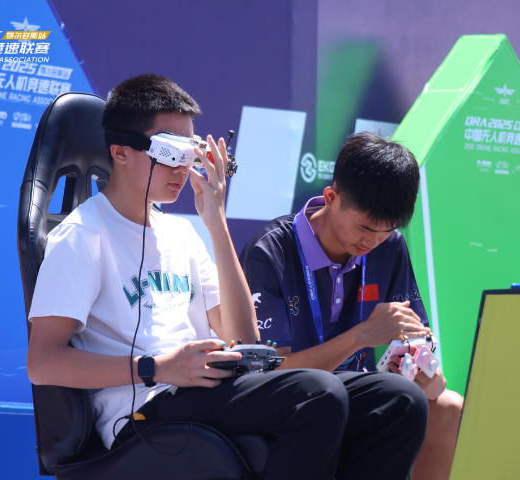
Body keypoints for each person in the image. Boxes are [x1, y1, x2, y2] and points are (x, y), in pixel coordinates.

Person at [26, 74, 427, 479]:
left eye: (191, 152)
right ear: (121, 152)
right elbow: (43, 364)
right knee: (317, 394)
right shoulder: (82, 236)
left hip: (204, 390)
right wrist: (157, 368)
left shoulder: (184, 233)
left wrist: (215, 221)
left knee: (398, 399)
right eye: (171, 151)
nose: (184, 167)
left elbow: (245, 336)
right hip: (143, 411)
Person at [239, 132, 464, 480]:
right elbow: (268, 376)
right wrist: (361, 336)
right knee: (339, 400)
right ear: (332, 197)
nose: (373, 241)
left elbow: (421, 349)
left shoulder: (390, 247)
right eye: (365, 227)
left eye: (386, 231)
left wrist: (426, 376)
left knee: (448, 405)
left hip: (362, 394)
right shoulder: (270, 251)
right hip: (293, 401)